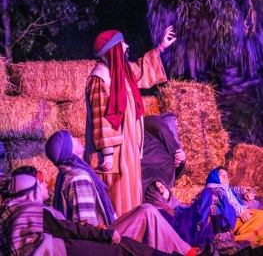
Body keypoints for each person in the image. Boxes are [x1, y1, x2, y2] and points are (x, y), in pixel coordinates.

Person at [45, 129, 203, 256]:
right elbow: (87, 227)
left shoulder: (68, 174)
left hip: (100, 234)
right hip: (99, 243)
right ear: (69, 149)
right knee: (148, 213)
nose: (76, 138)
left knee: (146, 210)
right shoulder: (78, 179)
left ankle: (182, 251)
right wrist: (109, 233)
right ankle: (188, 253)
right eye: (71, 137)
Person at [85, 25, 176, 216]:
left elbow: (142, 72)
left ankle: (132, 232)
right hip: (113, 152)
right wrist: (107, 153)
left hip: (127, 147)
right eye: (122, 43)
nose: (127, 46)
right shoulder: (100, 78)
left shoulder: (121, 73)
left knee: (130, 192)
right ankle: (120, 235)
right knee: (117, 195)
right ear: (113, 50)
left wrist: (160, 48)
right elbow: (101, 117)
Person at [0, 165, 182, 256]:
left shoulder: (17, 211)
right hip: (70, 243)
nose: (45, 183)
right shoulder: (78, 178)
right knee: (144, 216)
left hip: (75, 237)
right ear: (30, 190)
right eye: (40, 181)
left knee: (145, 213)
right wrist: (103, 234)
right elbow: (70, 229)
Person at [142, 113, 186, 197]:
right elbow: (161, 128)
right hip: (153, 169)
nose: (177, 124)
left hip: (161, 172)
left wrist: (181, 158)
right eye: (174, 120)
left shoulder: (169, 144)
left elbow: (178, 173)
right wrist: (177, 151)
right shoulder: (150, 121)